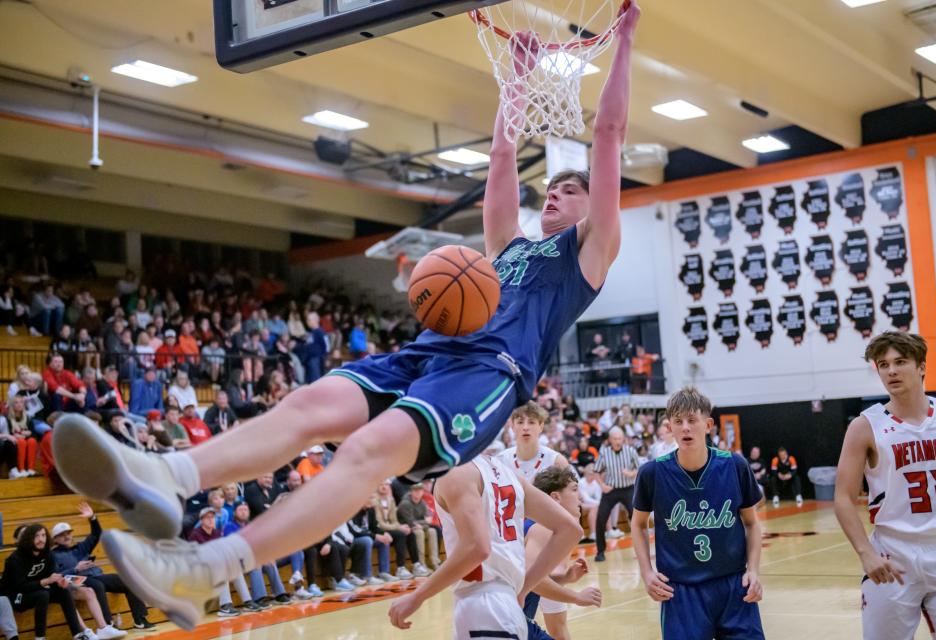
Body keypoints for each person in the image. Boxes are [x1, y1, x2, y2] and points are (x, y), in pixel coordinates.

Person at [52, 2, 638, 629]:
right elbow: (500, 158)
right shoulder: (510, 250)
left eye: (571, 191)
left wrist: (624, 37)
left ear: (591, 208)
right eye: (552, 187)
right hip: (431, 351)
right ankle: (166, 474)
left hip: (489, 374)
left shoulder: (589, 254)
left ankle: (204, 571)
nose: (555, 193)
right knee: (308, 407)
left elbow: (607, 135)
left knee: (365, 452)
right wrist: (515, 85)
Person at [834, 331, 936, 640]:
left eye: (900, 362)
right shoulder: (865, 426)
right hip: (892, 557)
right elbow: (843, 497)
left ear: (921, 367)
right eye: (883, 364)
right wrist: (865, 553)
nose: (891, 371)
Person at [387, 455, 581, 638]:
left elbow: (476, 547)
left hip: (482, 605)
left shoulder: (456, 473)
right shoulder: (509, 474)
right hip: (506, 604)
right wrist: (524, 589)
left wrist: (418, 596)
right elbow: (570, 529)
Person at [631, 387, 765, 640]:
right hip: (680, 591)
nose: (685, 428)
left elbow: (752, 523)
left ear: (708, 424)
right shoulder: (652, 473)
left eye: (692, 420)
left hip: (733, 585)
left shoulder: (735, 465)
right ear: (669, 427)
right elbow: (638, 524)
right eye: (678, 421)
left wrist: (754, 570)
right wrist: (646, 572)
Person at [523, 466, 603, 640]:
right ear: (556, 497)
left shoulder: (544, 527)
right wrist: (577, 597)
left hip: (517, 619)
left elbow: (530, 581)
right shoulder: (542, 528)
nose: (580, 497)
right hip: (507, 619)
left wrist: (565, 578)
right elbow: (531, 580)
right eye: (575, 490)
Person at [51, 502, 155, 632]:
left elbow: (96, 534)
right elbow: (57, 576)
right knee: (97, 585)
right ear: (55, 539)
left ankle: (140, 620)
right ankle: (108, 625)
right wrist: (76, 568)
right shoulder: (53, 555)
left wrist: (92, 518)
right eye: (62, 534)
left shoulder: (81, 547)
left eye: (68, 533)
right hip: (78, 581)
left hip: (96, 576)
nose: (66, 536)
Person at [1, 523, 95, 640]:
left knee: (63, 592)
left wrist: (60, 582)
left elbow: (52, 575)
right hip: (15, 596)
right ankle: (40, 637)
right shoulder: (15, 558)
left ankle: (77, 634)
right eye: (36, 536)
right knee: (43, 594)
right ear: (28, 538)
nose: (41, 539)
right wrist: (47, 581)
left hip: (36, 590)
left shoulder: (47, 554)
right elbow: (21, 586)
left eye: (43, 535)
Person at [593, 426, 642, 562]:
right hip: (611, 490)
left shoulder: (631, 451)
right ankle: (600, 551)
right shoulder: (604, 453)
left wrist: (631, 473)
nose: (617, 441)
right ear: (610, 440)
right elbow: (595, 471)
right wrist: (602, 485)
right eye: (615, 438)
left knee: (636, 518)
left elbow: (640, 469)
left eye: (620, 438)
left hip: (628, 489)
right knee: (600, 519)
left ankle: (641, 550)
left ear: (623, 439)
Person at [497, 402, 570, 482]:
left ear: (541, 427)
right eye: (520, 422)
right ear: (513, 426)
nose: (525, 428)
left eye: (531, 422)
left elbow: (569, 493)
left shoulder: (557, 462)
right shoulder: (500, 460)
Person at [397, 482, 442, 572]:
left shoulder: (422, 503)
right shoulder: (405, 503)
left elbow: (429, 520)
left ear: (422, 492)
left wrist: (422, 523)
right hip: (406, 529)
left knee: (432, 531)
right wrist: (424, 522)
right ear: (411, 492)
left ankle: (434, 562)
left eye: (420, 490)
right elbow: (411, 523)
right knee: (419, 533)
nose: (418, 493)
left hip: (419, 527)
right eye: (415, 490)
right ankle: (421, 564)